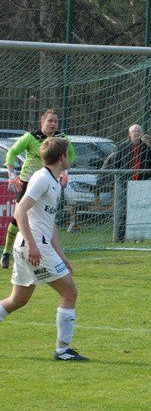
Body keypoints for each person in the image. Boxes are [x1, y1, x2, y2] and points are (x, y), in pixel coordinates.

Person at [0, 137, 87, 360]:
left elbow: (50, 224)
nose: (71, 158)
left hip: (33, 245)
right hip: (34, 245)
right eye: (68, 154)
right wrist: (32, 245)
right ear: (62, 157)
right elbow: (20, 211)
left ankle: (63, 350)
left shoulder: (53, 181)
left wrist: (62, 255)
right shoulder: (42, 178)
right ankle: (63, 351)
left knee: (18, 300)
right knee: (69, 292)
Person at [3, 109, 75, 269]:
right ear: (42, 122)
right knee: (18, 216)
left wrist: (65, 171)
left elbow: (71, 154)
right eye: (50, 121)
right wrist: (11, 174)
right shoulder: (31, 137)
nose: (53, 124)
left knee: (47, 216)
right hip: (28, 181)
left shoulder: (61, 138)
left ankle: (47, 249)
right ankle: (7, 253)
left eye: (56, 121)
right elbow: (12, 152)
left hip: (49, 181)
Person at [101, 124, 151, 242]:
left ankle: (139, 236)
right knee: (122, 210)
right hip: (124, 183)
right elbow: (115, 164)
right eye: (134, 131)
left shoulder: (146, 149)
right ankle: (120, 237)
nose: (136, 133)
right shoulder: (121, 147)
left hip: (140, 184)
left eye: (138, 131)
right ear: (129, 134)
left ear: (141, 133)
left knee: (140, 210)